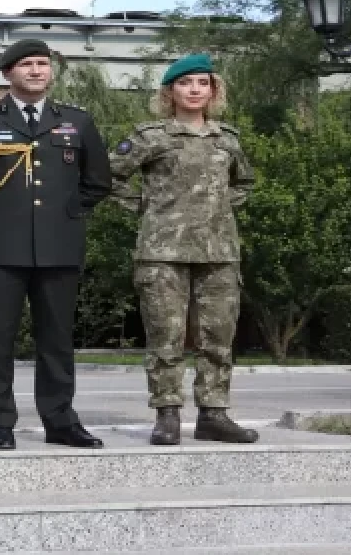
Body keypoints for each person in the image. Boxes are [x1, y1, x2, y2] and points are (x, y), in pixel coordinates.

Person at [0, 39, 111, 450]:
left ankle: (61, 420)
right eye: (27, 64)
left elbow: (98, 182)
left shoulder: (77, 122)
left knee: (57, 339)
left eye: (42, 64)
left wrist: (66, 212)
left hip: (59, 247)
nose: (36, 71)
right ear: (7, 73)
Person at [109, 53, 259, 445]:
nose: (195, 90)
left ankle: (214, 413)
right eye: (185, 83)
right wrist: (149, 208)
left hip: (219, 253)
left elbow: (244, 182)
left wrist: (217, 208)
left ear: (213, 91)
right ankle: (167, 414)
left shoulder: (227, 139)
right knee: (166, 336)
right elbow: (112, 176)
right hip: (163, 251)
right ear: (170, 91)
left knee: (218, 336)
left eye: (202, 83)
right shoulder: (151, 137)